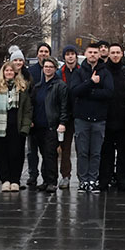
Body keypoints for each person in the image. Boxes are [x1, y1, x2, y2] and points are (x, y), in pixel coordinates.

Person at [69, 40, 114, 193]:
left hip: (99, 119)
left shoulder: (105, 71)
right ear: (85, 54)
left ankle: (93, 180)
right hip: (82, 118)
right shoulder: (79, 72)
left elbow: (108, 93)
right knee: (82, 152)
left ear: (99, 54)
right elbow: (75, 91)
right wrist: (91, 83)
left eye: (95, 52)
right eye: (90, 52)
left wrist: (89, 93)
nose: (93, 55)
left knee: (96, 152)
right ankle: (83, 180)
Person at [0, 61, 32, 192]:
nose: (9, 73)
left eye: (11, 70)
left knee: (17, 154)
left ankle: (15, 180)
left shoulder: (22, 88)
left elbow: (27, 110)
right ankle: (5, 179)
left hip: (17, 127)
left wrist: (25, 128)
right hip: (0, 126)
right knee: (2, 154)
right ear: (3, 73)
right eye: (7, 71)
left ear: (15, 72)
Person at [30, 57, 69, 192]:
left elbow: (64, 106)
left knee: (50, 154)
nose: (48, 69)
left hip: (52, 125)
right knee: (43, 154)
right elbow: (33, 105)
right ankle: (45, 180)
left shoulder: (60, 86)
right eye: (46, 66)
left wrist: (62, 122)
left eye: (51, 67)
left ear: (55, 68)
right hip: (38, 126)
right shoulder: (38, 86)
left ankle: (52, 181)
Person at [99, 42, 125, 192]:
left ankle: (122, 180)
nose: (115, 55)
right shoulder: (101, 71)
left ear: (122, 54)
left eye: (118, 52)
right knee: (106, 153)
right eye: (112, 52)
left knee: (124, 153)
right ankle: (104, 180)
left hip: (123, 120)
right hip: (106, 119)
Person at [26, 41, 51, 188]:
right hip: (33, 117)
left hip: (47, 118)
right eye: (41, 51)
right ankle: (32, 175)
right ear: (37, 54)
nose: (43, 54)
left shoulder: (54, 71)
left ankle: (46, 176)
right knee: (31, 151)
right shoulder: (31, 71)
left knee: (46, 151)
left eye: (46, 52)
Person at [57, 45, 79, 188]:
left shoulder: (82, 72)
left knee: (81, 148)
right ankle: (65, 175)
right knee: (64, 148)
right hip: (64, 116)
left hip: (80, 115)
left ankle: (83, 176)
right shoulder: (59, 73)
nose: (70, 56)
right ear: (64, 57)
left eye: (72, 54)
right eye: (68, 54)